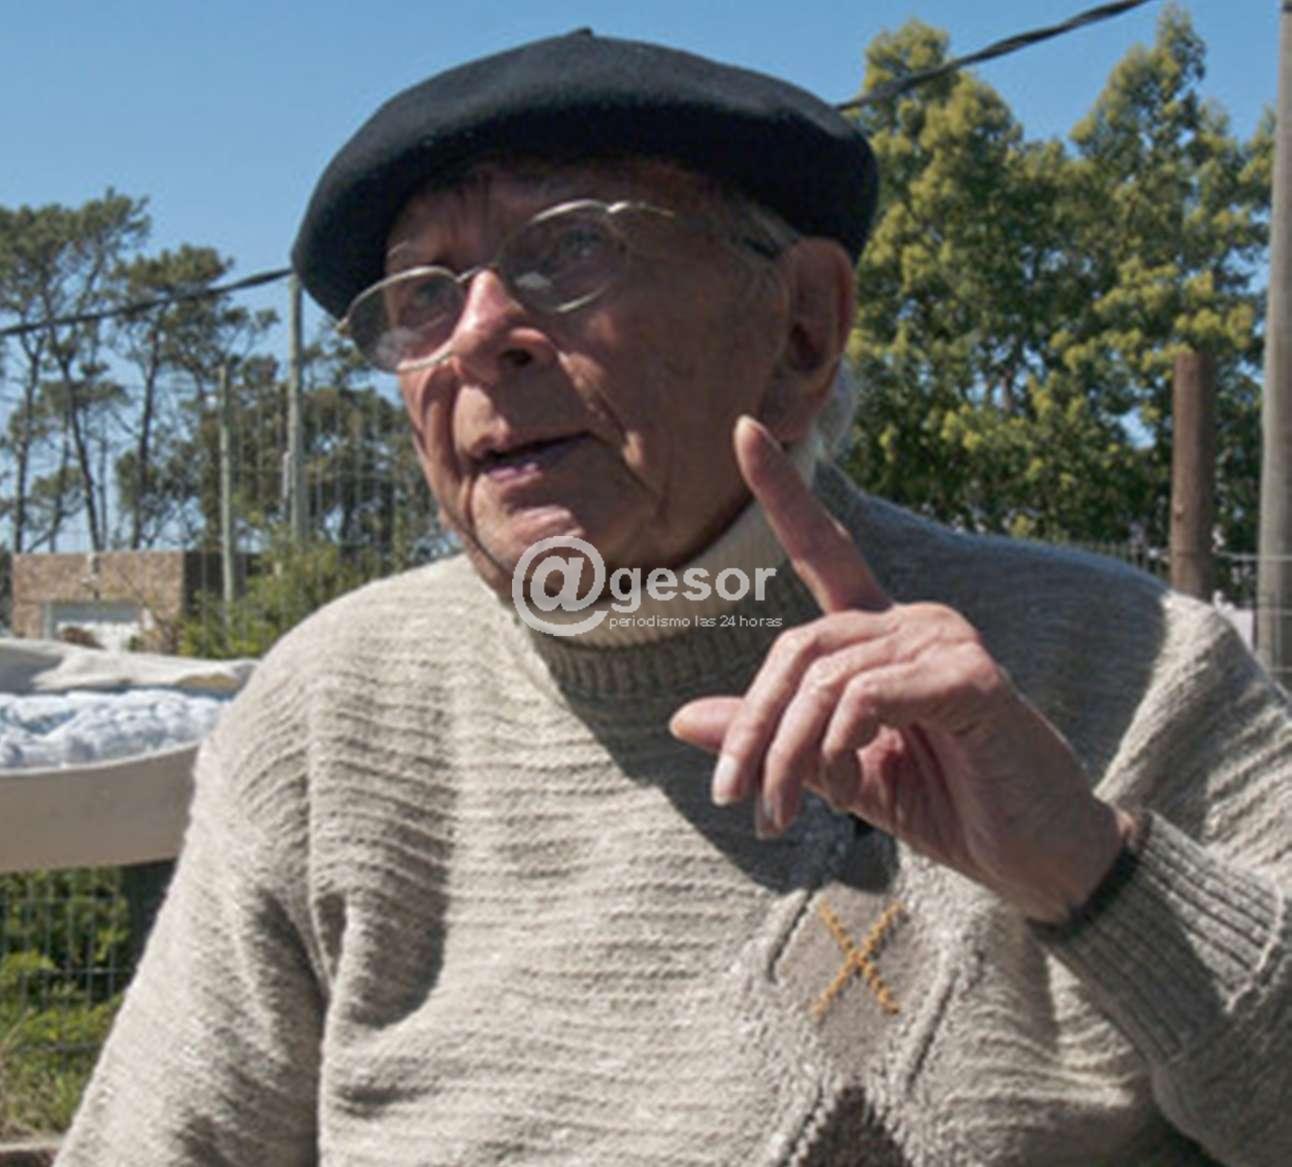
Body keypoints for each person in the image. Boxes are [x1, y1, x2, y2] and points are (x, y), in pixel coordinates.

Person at [57, 30, 1291, 1166]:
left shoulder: (1126, 666)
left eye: (568, 249)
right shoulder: (332, 716)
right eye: (423, 292)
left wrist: (1092, 875)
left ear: (800, 327)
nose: (478, 335)